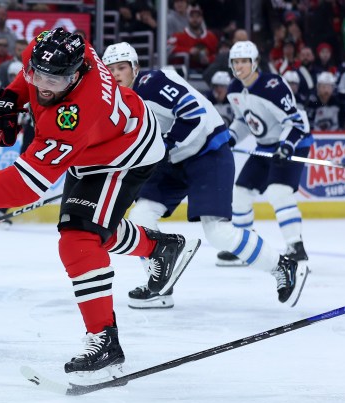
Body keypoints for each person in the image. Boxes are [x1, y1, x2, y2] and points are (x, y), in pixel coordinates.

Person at [0, 28, 199, 385]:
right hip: (93, 150)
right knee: (92, 224)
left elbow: (30, 182)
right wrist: (12, 97)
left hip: (125, 155)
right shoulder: (53, 49)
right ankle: (159, 248)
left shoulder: (78, 112)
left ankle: (105, 341)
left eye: (54, 80)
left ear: (76, 74)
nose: (43, 85)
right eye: (37, 74)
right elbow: (34, 80)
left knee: (80, 239)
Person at [102, 42, 309, 310]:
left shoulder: (154, 82)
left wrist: (166, 146)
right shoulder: (117, 101)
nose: (116, 74)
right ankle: (160, 286)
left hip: (207, 153)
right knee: (140, 217)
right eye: (111, 69)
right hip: (174, 159)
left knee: (218, 232)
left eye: (122, 68)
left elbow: (193, 113)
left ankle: (283, 266)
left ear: (136, 68)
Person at [216, 41, 313, 267]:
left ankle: (296, 246)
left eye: (244, 61)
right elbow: (243, 120)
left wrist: (286, 146)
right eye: (235, 62)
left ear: (255, 62)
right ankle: (245, 247)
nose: (239, 66)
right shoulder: (234, 90)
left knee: (278, 191)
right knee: (240, 193)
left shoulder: (273, 86)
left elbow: (296, 123)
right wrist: (230, 137)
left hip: (293, 142)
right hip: (265, 146)